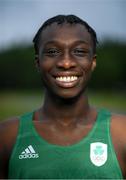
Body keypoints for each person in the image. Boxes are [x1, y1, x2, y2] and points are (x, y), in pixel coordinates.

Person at [0, 14, 126, 179]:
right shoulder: (7, 135)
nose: (66, 63)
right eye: (52, 51)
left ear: (92, 62)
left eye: (79, 51)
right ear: (38, 63)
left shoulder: (121, 133)